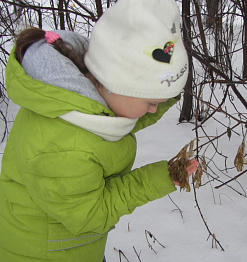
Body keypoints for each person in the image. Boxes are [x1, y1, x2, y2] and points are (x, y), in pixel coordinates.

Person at [0, 0, 199, 261]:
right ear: (115, 85)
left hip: (71, 246)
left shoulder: (87, 97)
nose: (153, 110)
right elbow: (91, 215)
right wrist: (157, 179)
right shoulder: (63, 147)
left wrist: (165, 92)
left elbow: (126, 115)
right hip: (44, 254)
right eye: (151, 102)